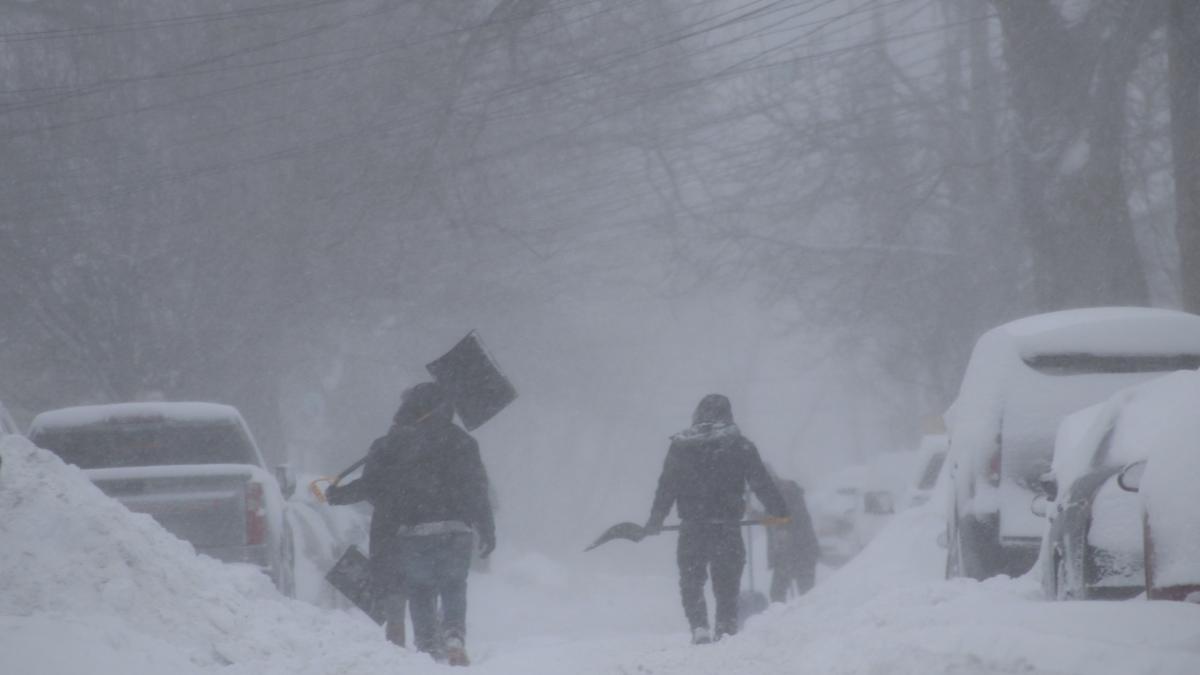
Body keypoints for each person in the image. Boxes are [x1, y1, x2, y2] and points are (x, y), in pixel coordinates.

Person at [327, 382, 495, 666]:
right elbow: (477, 489)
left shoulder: (393, 443)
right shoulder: (464, 442)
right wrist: (487, 528)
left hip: (415, 530)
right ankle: (454, 636)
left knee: (421, 588)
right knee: (454, 585)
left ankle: (427, 646)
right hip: (457, 529)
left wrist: (338, 495)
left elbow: (372, 485)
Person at [644, 394, 789, 644]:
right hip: (726, 526)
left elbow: (667, 486)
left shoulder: (681, 446)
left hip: (692, 526)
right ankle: (725, 625)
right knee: (727, 580)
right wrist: (779, 510)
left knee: (692, 579)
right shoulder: (740, 445)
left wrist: (656, 519)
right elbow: (760, 482)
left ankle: (699, 626)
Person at [766, 477, 819, 603]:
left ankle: (805, 614)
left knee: (802, 593)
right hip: (795, 552)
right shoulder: (780, 493)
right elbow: (773, 519)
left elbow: (793, 518)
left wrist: (784, 530)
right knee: (783, 592)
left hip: (799, 550)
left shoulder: (786, 492)